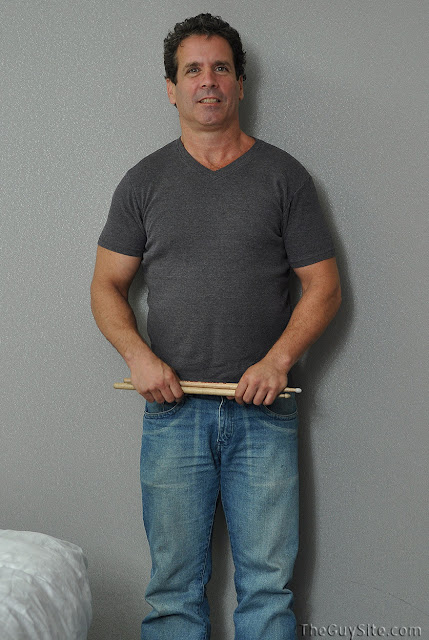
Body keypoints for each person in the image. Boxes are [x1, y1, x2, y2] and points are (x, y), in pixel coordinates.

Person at [90, 13, 341, 640]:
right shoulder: (143, 182)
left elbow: (325, 287)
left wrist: (277, 361)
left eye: (221, 68)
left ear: (240, 84)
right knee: (172, 594)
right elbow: (105, 287)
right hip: (172, 411)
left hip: (265, 410)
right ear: (171, 88)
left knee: (268, 594)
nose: (208, 81)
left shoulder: (284, 177)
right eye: (193, 70)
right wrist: (138, 357)